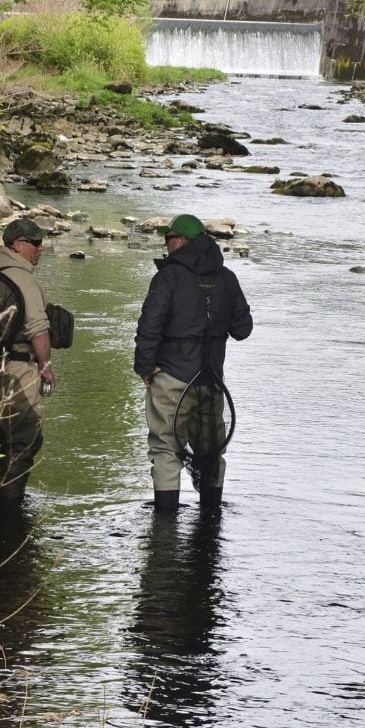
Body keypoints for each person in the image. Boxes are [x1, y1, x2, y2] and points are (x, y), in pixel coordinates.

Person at [134, 213, 252, 512]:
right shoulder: (227, 277)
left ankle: (165, 526)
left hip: (172, 376)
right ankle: (211, 519)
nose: (165, 243)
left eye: (169, 237)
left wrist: (145, 367)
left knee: (165, 448)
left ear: (183, 240)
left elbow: (149, 327)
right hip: (212, 381)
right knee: (212, 449)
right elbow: (243, 330)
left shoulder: (168, 277)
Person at [0, 218, 56, 510]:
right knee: (23, 442)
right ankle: (10, 513)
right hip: (18, 371)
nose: (41, 248)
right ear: (17, 245)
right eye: (35, 243)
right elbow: (38, 329)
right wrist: (45, 366)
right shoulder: (23, 278)